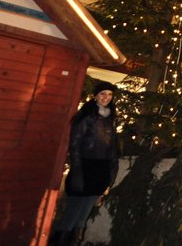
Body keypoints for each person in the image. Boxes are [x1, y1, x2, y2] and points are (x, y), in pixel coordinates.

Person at [49, 81, 119, 246]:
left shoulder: (112, 118)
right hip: (84, 167)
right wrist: (77, 171)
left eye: (109, 94)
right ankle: (60, 241)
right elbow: (74, 145)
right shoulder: (86, 117)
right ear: (96, 96)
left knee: (84, 213)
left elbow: (112, 148)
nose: (106, 98)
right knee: (72, 211)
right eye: (103, 94)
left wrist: (111, 172)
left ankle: (75, 241)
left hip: (101, 170)